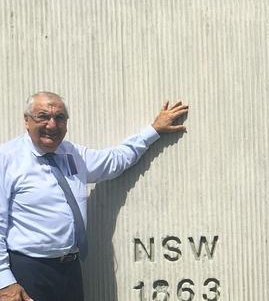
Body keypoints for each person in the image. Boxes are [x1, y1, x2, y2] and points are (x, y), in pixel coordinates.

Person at [0, 91, 189, 301]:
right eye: (43, 116)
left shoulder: (72, 154)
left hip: (70, 269)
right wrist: (5, 282)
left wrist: (154, 130)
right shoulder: (7, 159)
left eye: (59, 118)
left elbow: (114, 160)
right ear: (27, 120)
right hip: (29, 271)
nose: (52, 125)